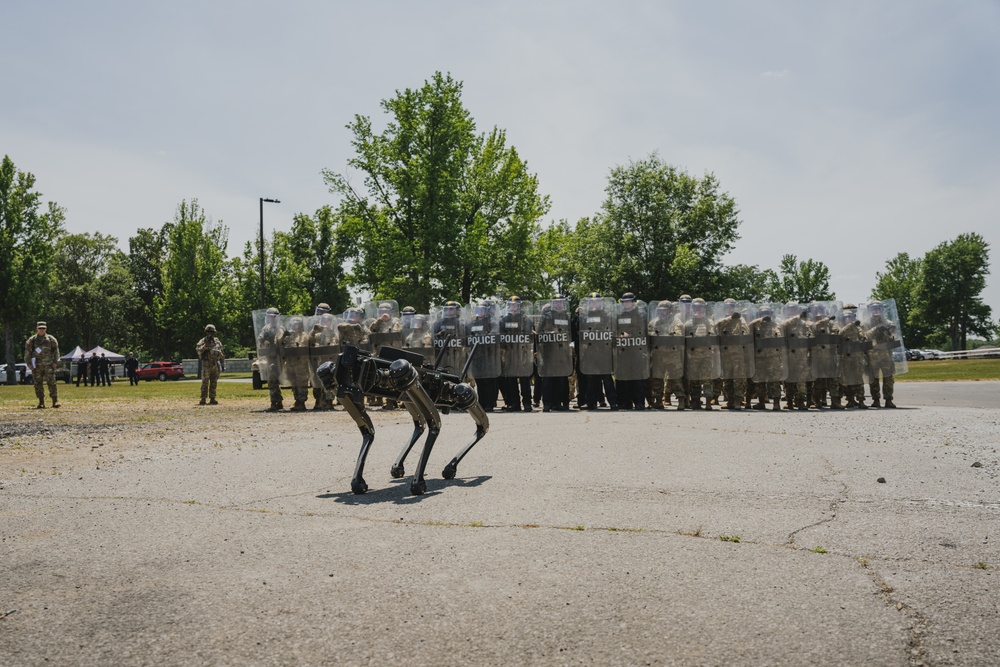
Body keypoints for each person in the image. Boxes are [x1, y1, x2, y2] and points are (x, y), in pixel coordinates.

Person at [864, 301, 898, 408]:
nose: (876, 311)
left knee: (888, 379)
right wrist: (876, 328)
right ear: (870, 311)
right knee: (873, 380)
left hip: (886, 356)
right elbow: (865, 337)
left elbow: (894, 338)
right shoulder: (866, 323)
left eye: (878, 309)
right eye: (873, 309)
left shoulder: (889, 323)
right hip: (872, 356)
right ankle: (876, 400)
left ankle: (888, 399)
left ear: (882, 310)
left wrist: (887, 332)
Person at [24, 322, 60, 408]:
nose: (41, 330)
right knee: (38, 384)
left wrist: (55, 362)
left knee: (52, 383)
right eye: (40, 328)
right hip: (37, 366)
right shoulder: (32, 340)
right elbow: (27, 353)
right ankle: (41, 402)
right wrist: (29, 364)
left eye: (43, 328)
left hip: (49, 365)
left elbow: (56, 352)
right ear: (37, 329)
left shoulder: (51, 339)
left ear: (46, 328)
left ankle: (54, 402)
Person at [257, 307, 285, 411]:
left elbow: (280, 340)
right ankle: (278, 401)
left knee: (273, 379)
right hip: (269, 358)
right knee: (272, 381)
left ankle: (275, 402)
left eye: (273, 317)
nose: (271, 319)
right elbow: (260, 339)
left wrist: (274, 341)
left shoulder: (280, 328)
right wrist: (263, 340)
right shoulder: (266, 328)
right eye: (269, 317)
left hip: (278, 358)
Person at [196, 324, 225, 405]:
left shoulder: (217, 341)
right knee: (205, 382)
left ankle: (212, 398)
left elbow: (222, 353)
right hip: (206, 364)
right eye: (208, 331)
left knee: (214, 382)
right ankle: (203, 399)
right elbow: (198, 351)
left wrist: (222, 364)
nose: (210, 333)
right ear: (206, 332)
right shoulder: (203, 341)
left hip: (215, 364)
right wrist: (205, 346)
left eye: (211, 332)